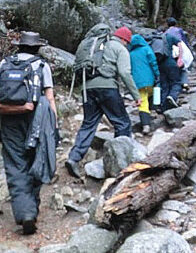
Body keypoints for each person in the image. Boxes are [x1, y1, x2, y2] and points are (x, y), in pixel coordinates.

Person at [0, 31, 57, 235]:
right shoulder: (41, 66)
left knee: (15, 165)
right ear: (37, 47)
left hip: (9, 119)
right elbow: (49, 98)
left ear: (19, 46)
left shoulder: (5, 63)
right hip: (36, 118)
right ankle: (32, 209)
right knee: (37, 160)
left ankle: (25, 212)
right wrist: (54, 125)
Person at [66, 26, 141, 178]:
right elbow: (125, 73)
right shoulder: (119, 48)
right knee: (122, 123)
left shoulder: (95, 46)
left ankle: (73, 158)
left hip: (88, 89)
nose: (126, 45)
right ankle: (121, 164)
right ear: (124, 39)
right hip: (107, 88)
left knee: (88, 124)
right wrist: (136, 95)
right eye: (127, 42)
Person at [129, 34, 160, 134]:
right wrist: (157, 74)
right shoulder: (147, 49)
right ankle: (154, 110)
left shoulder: (131, 53)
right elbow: (153, 62)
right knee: (153, 93)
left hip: (137, 82)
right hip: (149, 79)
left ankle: (145, 125)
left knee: (142, 102)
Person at [159, 32, 183, 111]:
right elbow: (180, 44)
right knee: (176, 82)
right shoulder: (170, 36)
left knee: (164, 85)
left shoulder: (156, 38)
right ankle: (172, 96)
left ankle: (163, 105)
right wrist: (180, 58)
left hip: (160, 64)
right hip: (170, 62)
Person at [165, 17, 190, 89]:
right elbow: (184, 40)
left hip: (171, 51)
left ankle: (174, 83)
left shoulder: (166, 32)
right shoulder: (179, 30)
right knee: (183, 66)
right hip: (180, 49)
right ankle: (184, 82)